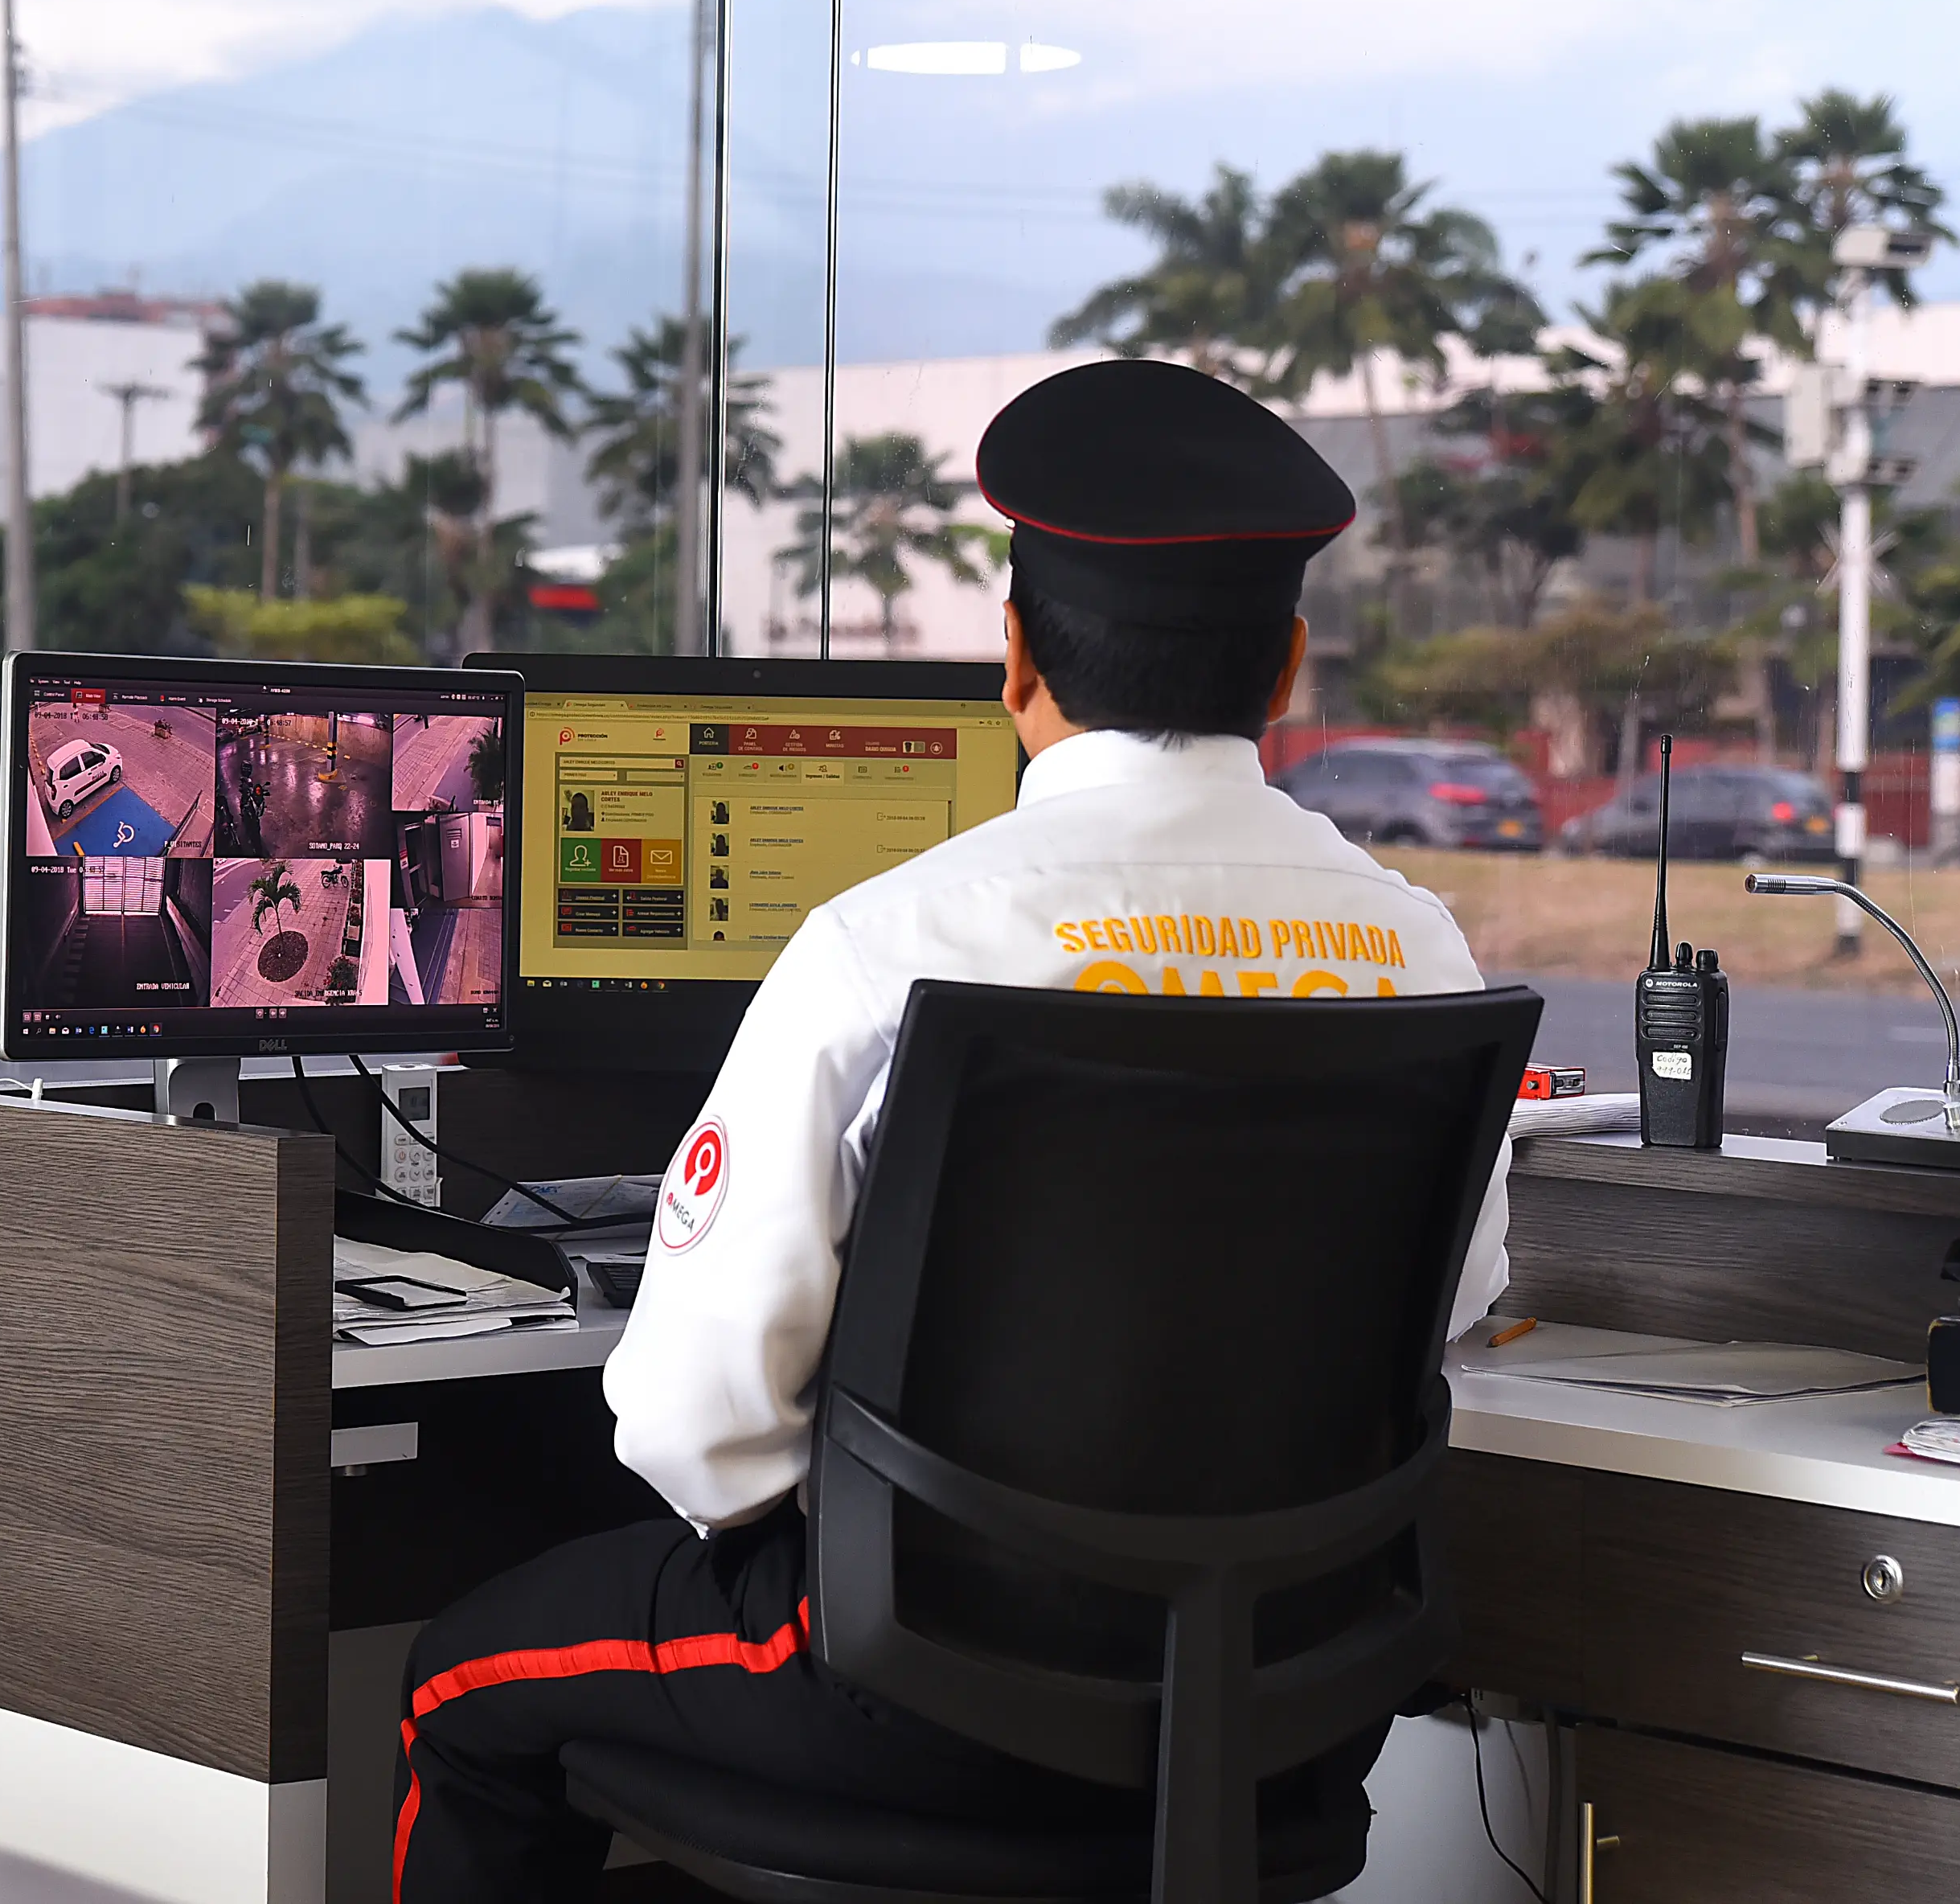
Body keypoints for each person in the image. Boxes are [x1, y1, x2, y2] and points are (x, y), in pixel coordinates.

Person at [388, 359, 1514, 1900]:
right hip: (1285, 1705)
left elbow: (693, 1423)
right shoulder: (1417, 948)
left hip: (910, 1688)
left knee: (459, 1686)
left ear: (1013, 659)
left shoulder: (899, 937)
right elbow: (1452, 1304)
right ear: (1289, 668)